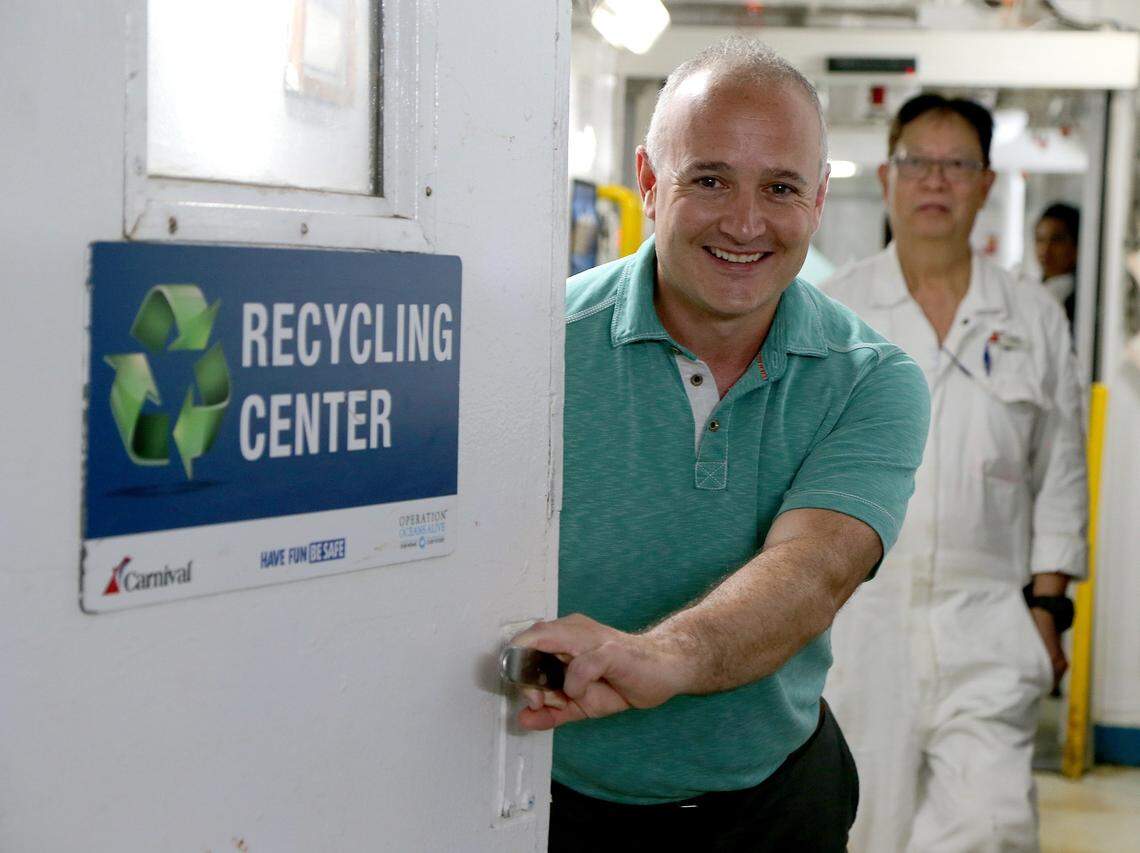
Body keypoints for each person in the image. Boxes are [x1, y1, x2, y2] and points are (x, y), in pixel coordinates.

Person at [511, 37, 930, 851]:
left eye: (779, 187)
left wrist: (661, 656)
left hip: (775, 806)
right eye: (709, 179)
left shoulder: (870, 380)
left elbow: (811, 574)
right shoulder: (534, 350)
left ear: (816, 200)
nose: (745, 223)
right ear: (647, 183)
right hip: (556, 801)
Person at [821, 94, 1087, 853]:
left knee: (992, 828)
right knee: (867, 828)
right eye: (917, 162)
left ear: (985, 183)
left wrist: (1047, 610)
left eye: (956, 164)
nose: (934, 180)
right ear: (888, 175)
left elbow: (1060, 471)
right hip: (861, 627)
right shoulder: (833, 314)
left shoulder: (1032, 317)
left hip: (989, 620)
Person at [1033, 202, 1080, 327]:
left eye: (1057, 240)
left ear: (1076, 247)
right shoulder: (1031, 289)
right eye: (1040, 240)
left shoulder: (1079, 301)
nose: (1046, 249)